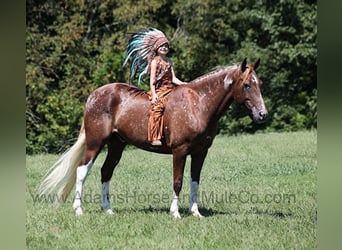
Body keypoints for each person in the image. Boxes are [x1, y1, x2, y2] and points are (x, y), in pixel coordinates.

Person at [123, 28, 187, 146]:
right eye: (162, 46)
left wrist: (184, 84)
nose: (164, 48)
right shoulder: (154, 62)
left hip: (170, 89)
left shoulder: (169, 61)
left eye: (166, 46)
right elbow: (152, 82)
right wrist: (154, 95)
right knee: (158, 108)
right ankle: (154, 137)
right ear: (157, 48)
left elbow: (173, 79)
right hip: (158, 90)